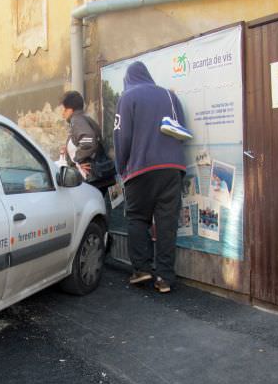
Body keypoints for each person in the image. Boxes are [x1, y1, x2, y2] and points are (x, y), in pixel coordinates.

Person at [113, 61, 187, 293]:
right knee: (166, 224)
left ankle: (142, 269)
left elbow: (121, 136)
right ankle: (165, 278)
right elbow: (181, 129)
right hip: (172, 168)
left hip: (141, 169)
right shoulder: (169, 96)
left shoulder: (128, 97)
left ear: (128, 79)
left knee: (137, 218)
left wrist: (121, 168)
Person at [61, 90, 114, 195]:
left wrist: (78, 159)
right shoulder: (85, 119)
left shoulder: (77, 120)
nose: (63, 113)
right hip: (98, 176)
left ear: (71, 110)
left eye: (64, 109)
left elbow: (88, 141)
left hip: (91, 177)